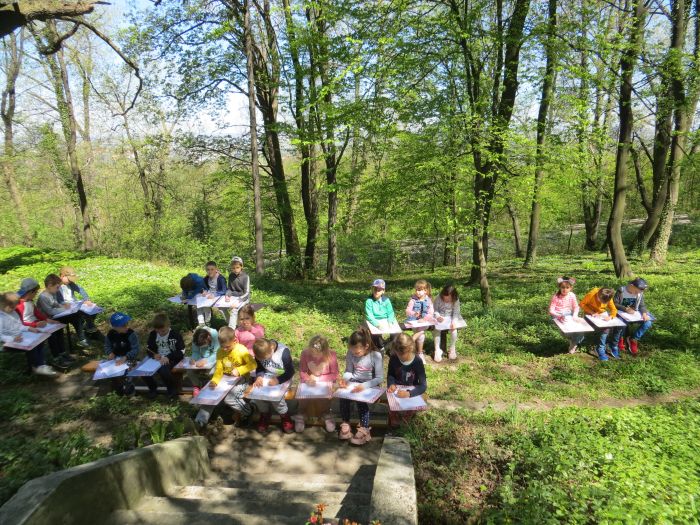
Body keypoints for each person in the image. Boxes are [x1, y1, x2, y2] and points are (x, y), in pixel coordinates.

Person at [193, 326, 257, 429]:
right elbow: (219, 369)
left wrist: (239, 370)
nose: (225, 349)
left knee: (230, 398)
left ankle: (249, 411)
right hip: (225, 379)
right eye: (222, 346)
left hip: (243, 378)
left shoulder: (241, 350)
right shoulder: (220, 351)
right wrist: (214, 381)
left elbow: (253, 364)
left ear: (234, 341)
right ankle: (199, 422)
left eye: (227, 347)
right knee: (210, 394)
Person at [338, 326, 383, 446]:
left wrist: (364, 386)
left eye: (357, 352)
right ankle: (345, 422)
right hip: (355, 381)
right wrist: (344, 380)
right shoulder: (350, 353)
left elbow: (379, 378)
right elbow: (349, 371)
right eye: (352, 351)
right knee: (343, 396)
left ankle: (364, 428)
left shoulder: (375, 356)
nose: (354, 354)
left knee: (360, 400)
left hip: (370, 384)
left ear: (366, 346)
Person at [16, 277, 73, 368]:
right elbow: (20, 323)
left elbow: (37, 313)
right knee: (51, 335)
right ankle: (55, 358)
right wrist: (35, 324)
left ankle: (62, 353)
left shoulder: (30, 302)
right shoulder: (19, 305)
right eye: (35, 293)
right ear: (30, 292)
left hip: (37, 324)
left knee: (58, 330)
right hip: (28, 328)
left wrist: (47, 320)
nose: (36, 295)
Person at [0, 292, 57, 376]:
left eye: (14, 307)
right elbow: (0, 336)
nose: (13, 309)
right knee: (31, 345)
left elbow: (19, 326)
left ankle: (40, 365)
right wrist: (12, 339)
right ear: (3, 305)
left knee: (39, 340)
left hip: (20, 337)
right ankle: (36, 366)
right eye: (11, 307)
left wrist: (29, 328)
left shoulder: (13, 313)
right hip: (7, 343)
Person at [294, 335, 339, 433]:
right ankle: (301, 414)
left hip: (326, 382)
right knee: (303, 395)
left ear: (325, 351)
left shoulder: (331, 355)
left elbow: (335, 374)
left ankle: (326, 414)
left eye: (318, 353)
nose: (314, 355)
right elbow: (302, 371)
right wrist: (307, 379)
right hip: (309, 382)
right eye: (312, 352)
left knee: (326, 396)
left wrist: (319, 378)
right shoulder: (305, 353)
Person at [251, 338, 294, 433]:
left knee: (276, 398)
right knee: (257, 395)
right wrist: (259, 377)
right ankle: (265, 414)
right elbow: (260, 368)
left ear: (271, 348)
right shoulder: (260, 353)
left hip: (284, 378)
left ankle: (285, 416)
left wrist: (278, 380)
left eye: (266, 358)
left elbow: (291, 371)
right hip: (267, 377)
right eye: (261, 360)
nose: (264, 361)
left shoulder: (283, 352)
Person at [38, 273, 88, 349]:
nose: (58, 290)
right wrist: (64, 309)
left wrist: (63, 306)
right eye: (57, 287)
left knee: (76, 316)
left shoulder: (52, 293)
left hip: (55, 316)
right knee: (57, 332)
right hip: (48, 319)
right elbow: (50, 311)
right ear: (50, 286)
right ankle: (60, 352)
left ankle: (82, 339)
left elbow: (55, 304)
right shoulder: (43, 297)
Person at [387, 333, 427, 427]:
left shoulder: (417, 361)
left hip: (411, 391)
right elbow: (390, 375)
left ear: (410, 349)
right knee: (391, 405)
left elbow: (423, 386)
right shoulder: (393, 358)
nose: (400, 357)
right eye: (398, 354)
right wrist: (391, 384)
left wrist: (409, 393)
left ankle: (406, 418)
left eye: (403, 354)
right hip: (396, 391)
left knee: (409, 409)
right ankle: (394, 418)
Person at [144, 313, 184, 399]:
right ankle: (152, 388)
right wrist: (154, 355)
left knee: (163, 369)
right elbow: (148, 349)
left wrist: (168, 357)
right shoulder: (153, 334)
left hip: (172, 358)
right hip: (157, 359)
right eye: (157, 331)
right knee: (143, 370)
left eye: (163, 331)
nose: (160, 333)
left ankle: (171, 389)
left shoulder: (175, 335)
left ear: (168, 326)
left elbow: (181, 351)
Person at [613, 277, 653, 355]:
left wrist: (644, 314)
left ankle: (634, 339)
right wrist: (625, 309)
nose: (637, 294)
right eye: (636, 291)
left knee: (648, 322)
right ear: (631, 286)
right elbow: (615, 304)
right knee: (622, 323)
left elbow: (642, 305)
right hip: (621, 312)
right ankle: (620, 339)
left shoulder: (639, 293)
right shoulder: (621, 290)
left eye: (639, 292)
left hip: (634, 314)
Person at [104, 312, 139, 395]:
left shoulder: (131, 334)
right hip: (115, 360)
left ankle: (129, 390)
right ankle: (118, 391)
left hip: (129, 358)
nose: (126, 327)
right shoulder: (110, 335)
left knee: (128, 372)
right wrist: (110, 353)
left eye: (127, 324)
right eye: (123, 326)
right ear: (115, 327)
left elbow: (136, 349)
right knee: (112, 374)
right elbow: (107, 346)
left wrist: (126, 357)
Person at [580, 287, 618, 361]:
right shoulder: (591, 294)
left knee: (606, 328)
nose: (601, 303)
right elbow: (582, 304)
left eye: (604, 303)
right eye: (600, 301)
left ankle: (600, 348)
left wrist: (610, 316)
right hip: (589, 314)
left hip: (601, 316)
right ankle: (584, 342)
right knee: (590, 328)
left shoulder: (608, 297)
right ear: (598, 295)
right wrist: (592, 312)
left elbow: (614, 309)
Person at [59, 266, 99, 337]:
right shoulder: (57, 286)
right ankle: (86, 329)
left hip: (74, 303)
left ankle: (88, 326)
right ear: (62, 276)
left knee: (93, 309)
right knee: (81, 313)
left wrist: (87, 299)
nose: (70, 281)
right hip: (66, 307)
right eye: (69, 280)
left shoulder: (71, 284)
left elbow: (80, 289)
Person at [548, 276, 585, 354]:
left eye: (567, 288)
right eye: (563, 287)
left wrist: (575, 315)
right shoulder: (556, 297)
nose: (565, 289)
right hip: (557, 315)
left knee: (581, 329)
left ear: (571, 288)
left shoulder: (572, 295)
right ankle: (572, 340)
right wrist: (558, 316)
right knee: (565, 332)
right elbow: (551, 310)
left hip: (569, 315)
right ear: (560, 287)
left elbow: (576, 307)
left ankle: (574, 343)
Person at [432, 284, 464, 362]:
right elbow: (435, 310)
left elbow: (456, 312)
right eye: (445, 298)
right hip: (440, 317)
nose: (446, 300)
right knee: (436, 329)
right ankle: (437, 349)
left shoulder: (456, 300)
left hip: (451, 317)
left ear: (453, 297)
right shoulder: (438, 298)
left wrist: (454, 322)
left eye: (449, 299)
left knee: (454, 329)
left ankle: (452, 348)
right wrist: (437, 316)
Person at [404, 279, 434, 363]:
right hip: (414, 322)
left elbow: (431, 313)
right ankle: (419, 353)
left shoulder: (429, 300)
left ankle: (412, 340)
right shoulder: (413, 300)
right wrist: (413, 313)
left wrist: (424, 319)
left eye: (420, 290)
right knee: (421, 335)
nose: (417, 292)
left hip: (426, 322)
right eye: (416, 290)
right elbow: (407, 311)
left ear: (425, 291)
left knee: (421, 330)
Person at [364, 278, 396, 351]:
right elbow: (369, 315)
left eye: (379, 290)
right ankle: (380, 346)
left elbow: (390, 312)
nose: (376, 291)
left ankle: (389, 346)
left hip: (386, 320)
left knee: (396, 334)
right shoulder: (369, 301)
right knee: (376, 337)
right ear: (372, 289)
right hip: (375, 321)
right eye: (375, 289)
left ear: (383, 291)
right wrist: (377, 324)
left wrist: (390, 321)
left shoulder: (386, 300)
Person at [187, 326, 219, 395]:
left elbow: (217, 353)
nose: (202, 347)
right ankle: (197, 385)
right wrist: (193, 358)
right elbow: (195, 351)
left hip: (214, 360)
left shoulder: (215, 335)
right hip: (201, 360)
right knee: (189, 371)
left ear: (208, 338)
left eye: (203, 344)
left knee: (211, 372)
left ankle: (213, 386)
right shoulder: (196, 338)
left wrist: (206, 360)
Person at [223, 256, 250, 329]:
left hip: (243, 298)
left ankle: (231, 330)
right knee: (221, 308)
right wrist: (227, 295)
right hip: (233, 297)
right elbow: (229, 289)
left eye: (237, 267)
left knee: (234, 309)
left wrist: (238, 301)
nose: (235, 270)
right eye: (233, 268)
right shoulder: (231, 276)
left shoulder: (245, 277)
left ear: (241, 267)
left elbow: (247, 293)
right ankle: (232, 323)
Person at [199, 261, 227, 326]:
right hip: (210, 295)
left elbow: (224, 290)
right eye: (208, 270)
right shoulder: (206, 278)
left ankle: (229, 323)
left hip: (220, 295)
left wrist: (214, 295)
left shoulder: (221, 278)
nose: (210, 271)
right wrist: (204, 291)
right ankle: (207, 322)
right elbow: (204, 287)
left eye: (212, 269)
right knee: (205, 305)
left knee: (222, 309)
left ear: (216, 269)